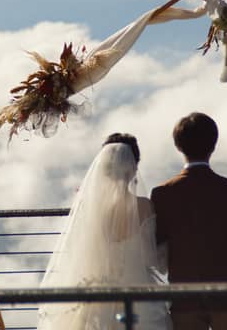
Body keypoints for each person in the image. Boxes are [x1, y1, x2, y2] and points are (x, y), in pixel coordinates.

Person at [37, 133, 172, 330]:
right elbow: (151, 260)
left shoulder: (89, 209)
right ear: (134, 169)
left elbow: (78, 253)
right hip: (138, 294)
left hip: (96, 290)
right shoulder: (144, 207)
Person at [151, 112, 227, 330]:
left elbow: (157, 244)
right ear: (213, 144)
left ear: (178, 145)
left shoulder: (163, 194)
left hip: (184, 298)